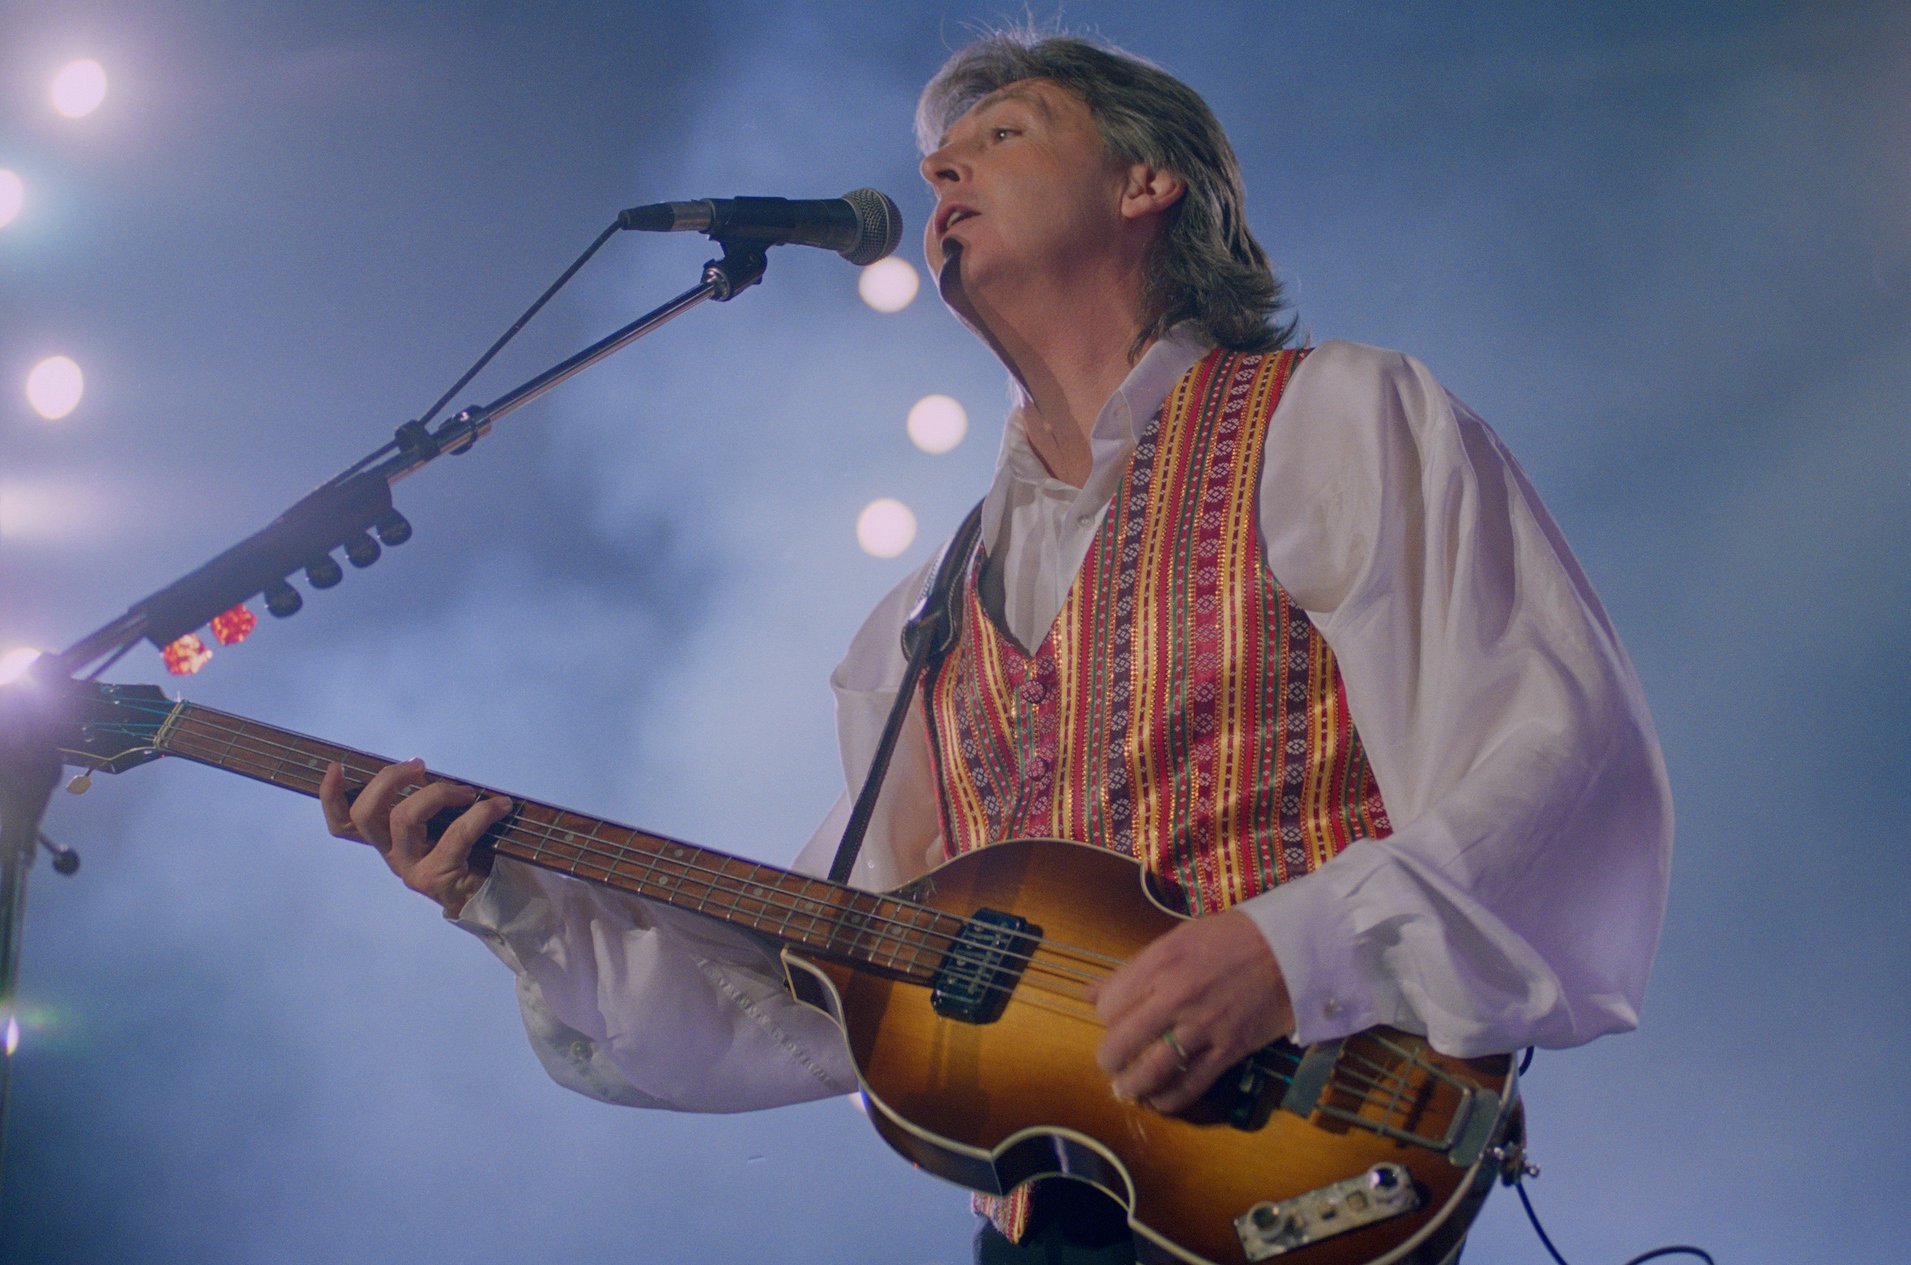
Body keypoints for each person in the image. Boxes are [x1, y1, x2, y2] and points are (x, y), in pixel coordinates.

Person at [320, 31, 1671, 1265]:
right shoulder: (921, 616)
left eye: (1005, 132)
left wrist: (1289, 948)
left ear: (1150, 182)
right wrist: (515, 894)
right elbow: (811, 994)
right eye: (936, 158)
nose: (944, 168)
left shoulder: (1338, 421)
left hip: (1307, 1175)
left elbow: (1564, 764)